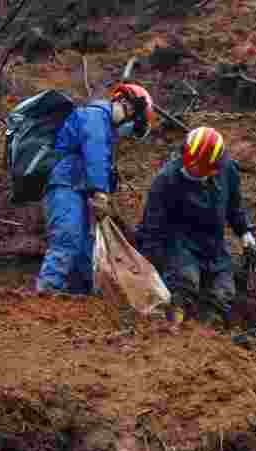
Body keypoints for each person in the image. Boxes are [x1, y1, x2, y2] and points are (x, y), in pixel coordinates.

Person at [36, 83, 155, 294]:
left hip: (79, 191)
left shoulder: (105, 128)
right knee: (67, 239)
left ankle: (81, 302)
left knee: (85, 252)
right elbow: (95, 154)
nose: (127, 131)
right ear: (125, 106)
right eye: (133, 124)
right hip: (65, 186)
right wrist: (101, 192)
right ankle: (46, 293)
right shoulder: (95, 117)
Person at [134, 126, 256, 327]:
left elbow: (235, 207)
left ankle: (209, 331)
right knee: (184, 282)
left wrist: (245, 234)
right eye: (189, 164)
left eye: (199, 168)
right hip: (180, 243)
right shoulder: (166, 180)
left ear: (213, 168)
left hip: (214, 246)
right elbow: (152, 228)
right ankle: (175, 322)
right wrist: (149, 269)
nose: (191, 170)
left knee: (223, 293)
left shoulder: (227, 171)